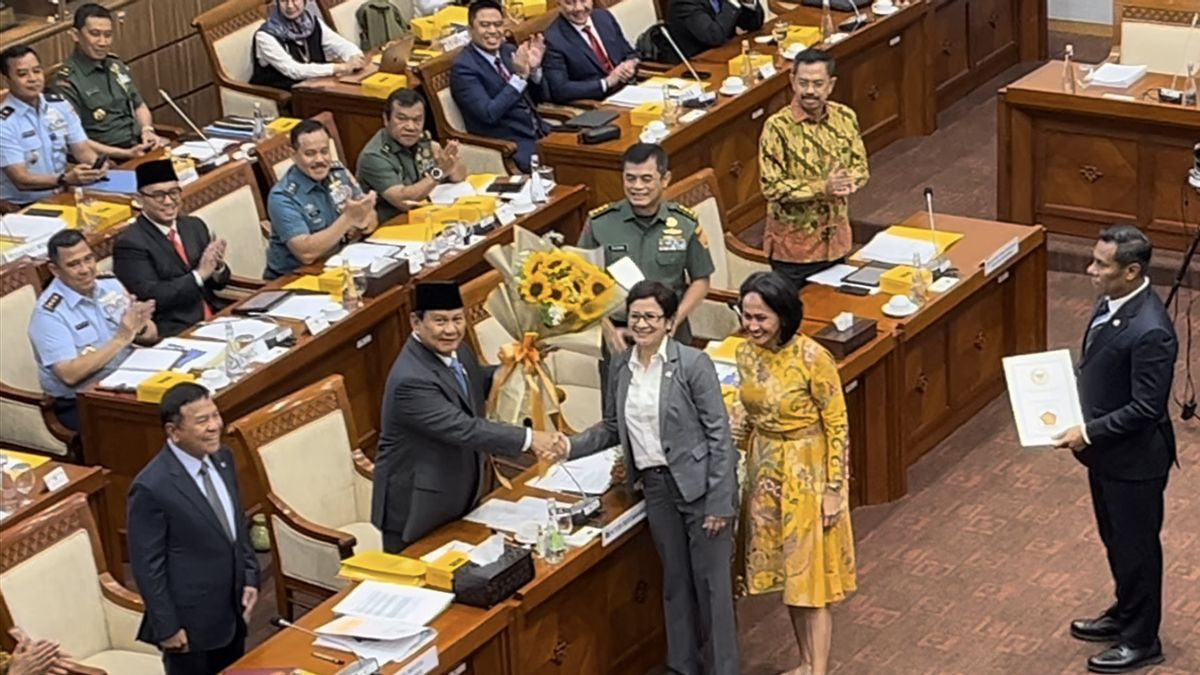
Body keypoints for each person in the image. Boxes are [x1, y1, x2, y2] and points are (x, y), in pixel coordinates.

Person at [545, 280, 739, 675]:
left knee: (713, 587)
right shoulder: (621, 366)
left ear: (669, 322)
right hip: (656, 487)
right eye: (635, 316)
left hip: (700, 487)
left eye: (651, 316)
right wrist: (569, 446)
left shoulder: (692, 364)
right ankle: (682, 666)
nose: (642, 324)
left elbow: (719, 435)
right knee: (675, 582)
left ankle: (723, 668)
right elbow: (612, 427)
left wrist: (721, 501)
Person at [1053, 225, 1177, 674]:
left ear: (1132, 271)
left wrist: (1087, 432)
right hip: (1108, 456)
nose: (1091, 270)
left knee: (1136, 550)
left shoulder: (1152, 330)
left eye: (1101, 265)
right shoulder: (1115, 300)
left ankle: (1142, 640)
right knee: (1116, 542)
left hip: (1135, 462)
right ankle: (1126, 612)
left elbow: (1146, 408)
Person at [372, 281, 566, 552]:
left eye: (457, 319)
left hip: (459, 492)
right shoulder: (410, 379)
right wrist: (531, 438)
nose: (451, 330)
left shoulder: (458, 350)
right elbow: (463, 427)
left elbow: (474, 382)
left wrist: (517, 367)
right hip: (418, 508)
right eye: (440, 321)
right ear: (416, 322)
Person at [734, 271, 855, 675]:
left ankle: (818, 670)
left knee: (811, 580)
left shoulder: (813, 358)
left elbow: (837, 425)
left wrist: (834, 489)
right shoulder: (745, 353)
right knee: (789, 576)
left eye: (761, 318)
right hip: (766, 469)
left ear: (783, 316)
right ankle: (804, 663)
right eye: (747, 316)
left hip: (807, 470)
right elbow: (748, 411)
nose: (752, 326)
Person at [128, 383, 260, 675]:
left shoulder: (223, 458)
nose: (214, 426)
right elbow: (148, 567)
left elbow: (237, 525)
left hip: (233, 611)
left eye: (215, 415)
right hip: (190, 628)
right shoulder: (152, 487)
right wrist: (167, 627)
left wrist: (251, 576)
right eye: (202, 421)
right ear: (173, 432)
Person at [580, 143, 713, 401]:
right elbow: (580, 284)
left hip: (671, 334)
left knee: (675, 407)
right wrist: (606, 329)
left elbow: (701, 280)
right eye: (630, 178)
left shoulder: (684, 223)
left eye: (646, 179)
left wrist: (672, 322)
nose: (637, 186)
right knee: (619, 411)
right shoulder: (600, 223)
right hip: (619, 337)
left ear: (665, 179)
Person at [759, 49, 869, 289]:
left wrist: (849, 181)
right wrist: (823, 188)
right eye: (803, 83)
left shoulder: (845, 117)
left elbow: (860, 167)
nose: (810, 91)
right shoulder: (777, 127)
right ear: (792, 82)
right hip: (794, 251)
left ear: (831, 85)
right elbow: (771, 187)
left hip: (837, 242)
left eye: (818, 84)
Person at [28, 230, 157, 432]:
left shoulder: (109, 284)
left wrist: (140, 326)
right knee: (155, 424)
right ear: (55, 270)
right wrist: (122, 338)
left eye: (88, 259)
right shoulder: (49, 315)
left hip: (129, 380)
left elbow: (151, 335)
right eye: (74, 264)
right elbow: (69, 374)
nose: (85, 269)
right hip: (83, 402)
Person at [113, 160, 229, 337]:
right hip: (177, 329)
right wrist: (199, 275)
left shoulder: (194, 225)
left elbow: (219, 284)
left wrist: (217, 267)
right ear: (139, 200)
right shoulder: (130, 244)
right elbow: (152, 298)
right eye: (158, 195)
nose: (168, 201)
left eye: (173, 193)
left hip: (217, 315)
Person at [50, 3, 166, 160]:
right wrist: (124, 154)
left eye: (108, 35)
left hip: (139, 146)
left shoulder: (115, 65)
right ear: (75, 35)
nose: (103, 42)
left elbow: (139, 105)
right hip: (108, 158)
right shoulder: (66, 81)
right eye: (95, 34)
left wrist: (147, 130)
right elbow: (75, 140)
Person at [265, 118, 378, 279]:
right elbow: (306, 253)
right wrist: (348, 220)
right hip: (296, 278)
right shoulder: (283, 197)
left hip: (341, 263)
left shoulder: (338, 173)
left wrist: (363, 225)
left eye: (324, 151)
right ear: (293, 155)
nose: (320, 160)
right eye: (310, 154)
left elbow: (370, 216)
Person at [450, 0, 550, 173]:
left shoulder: (508, 51)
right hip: (510, 146)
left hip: (541, 132)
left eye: (497, 25)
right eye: (485, 25)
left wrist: (534, 71)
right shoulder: (464, 69)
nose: (492, 31)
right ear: (470, 30)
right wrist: (519, 77)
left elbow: (540, 99)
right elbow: (489, 114)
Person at [0, 45, 106, 207]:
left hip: (63, 194)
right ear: (7, 80)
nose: (32, 78)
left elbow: (81, 149)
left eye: (37, 71)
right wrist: (64, 179)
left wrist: (95, 165)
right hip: (25, 205)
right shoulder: (4, 123)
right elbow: (21, 179)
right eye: (22, 74)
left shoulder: (59, 105)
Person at [356, 88, 467, 223]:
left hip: (426, 213)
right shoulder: (374, 156)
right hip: (393, 223)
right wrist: (439, 172)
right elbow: (405, 201)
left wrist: (451, 162)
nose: (411, 127)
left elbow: (460, 177)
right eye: (402, 119)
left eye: (417, 120)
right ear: (386, 119)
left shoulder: (421, 139)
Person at [250, 0, 367, 91]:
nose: (290, 6)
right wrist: (341, 67)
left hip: (316, 87)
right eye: (284, 1)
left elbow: (341, 45)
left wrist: (355, 57)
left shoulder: (311, 22)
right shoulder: (265, 36)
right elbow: (293, 70)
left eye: (295, 0)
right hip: (285, 96)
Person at [542, 0, 639, 103]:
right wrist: (606, 83)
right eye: (570, 2)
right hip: (596, 103)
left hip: (630, 90)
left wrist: (630, 65)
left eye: (583, 0)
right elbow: (560, 90)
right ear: (559, 5)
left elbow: (629, 53)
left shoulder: (603, 17)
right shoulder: (553, 39)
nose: (579, 8)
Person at [666, 0, 764, 61]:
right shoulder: (683, 2)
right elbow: (714, 36)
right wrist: (732, 2)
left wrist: (748, 2)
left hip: (727, 55)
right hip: (698, 65)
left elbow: (754, 24)